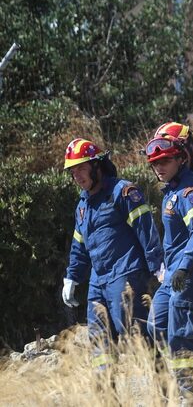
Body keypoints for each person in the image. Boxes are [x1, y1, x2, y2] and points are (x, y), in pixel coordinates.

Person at [62, 138, 163, 370]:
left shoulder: (123, 192)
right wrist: (72, 277)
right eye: (72, 171)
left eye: (81, 168)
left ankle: (163, 391)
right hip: (98, 282)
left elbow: (147, 230)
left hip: (126, 275)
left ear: (97, 166)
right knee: (99, 344)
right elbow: (80, 246)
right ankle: (108, 396)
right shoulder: (82, 205)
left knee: (137, 337)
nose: (77, 175)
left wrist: (156, 265)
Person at [145, 134, 193, 391]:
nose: (159, 168)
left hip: (192, 273)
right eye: (154, 164)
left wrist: (185, 265)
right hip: (173, 273)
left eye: (164, 161)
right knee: (156, 323)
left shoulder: (190, 191)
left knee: (180, 333)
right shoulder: (171, 192)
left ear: (180, 159)